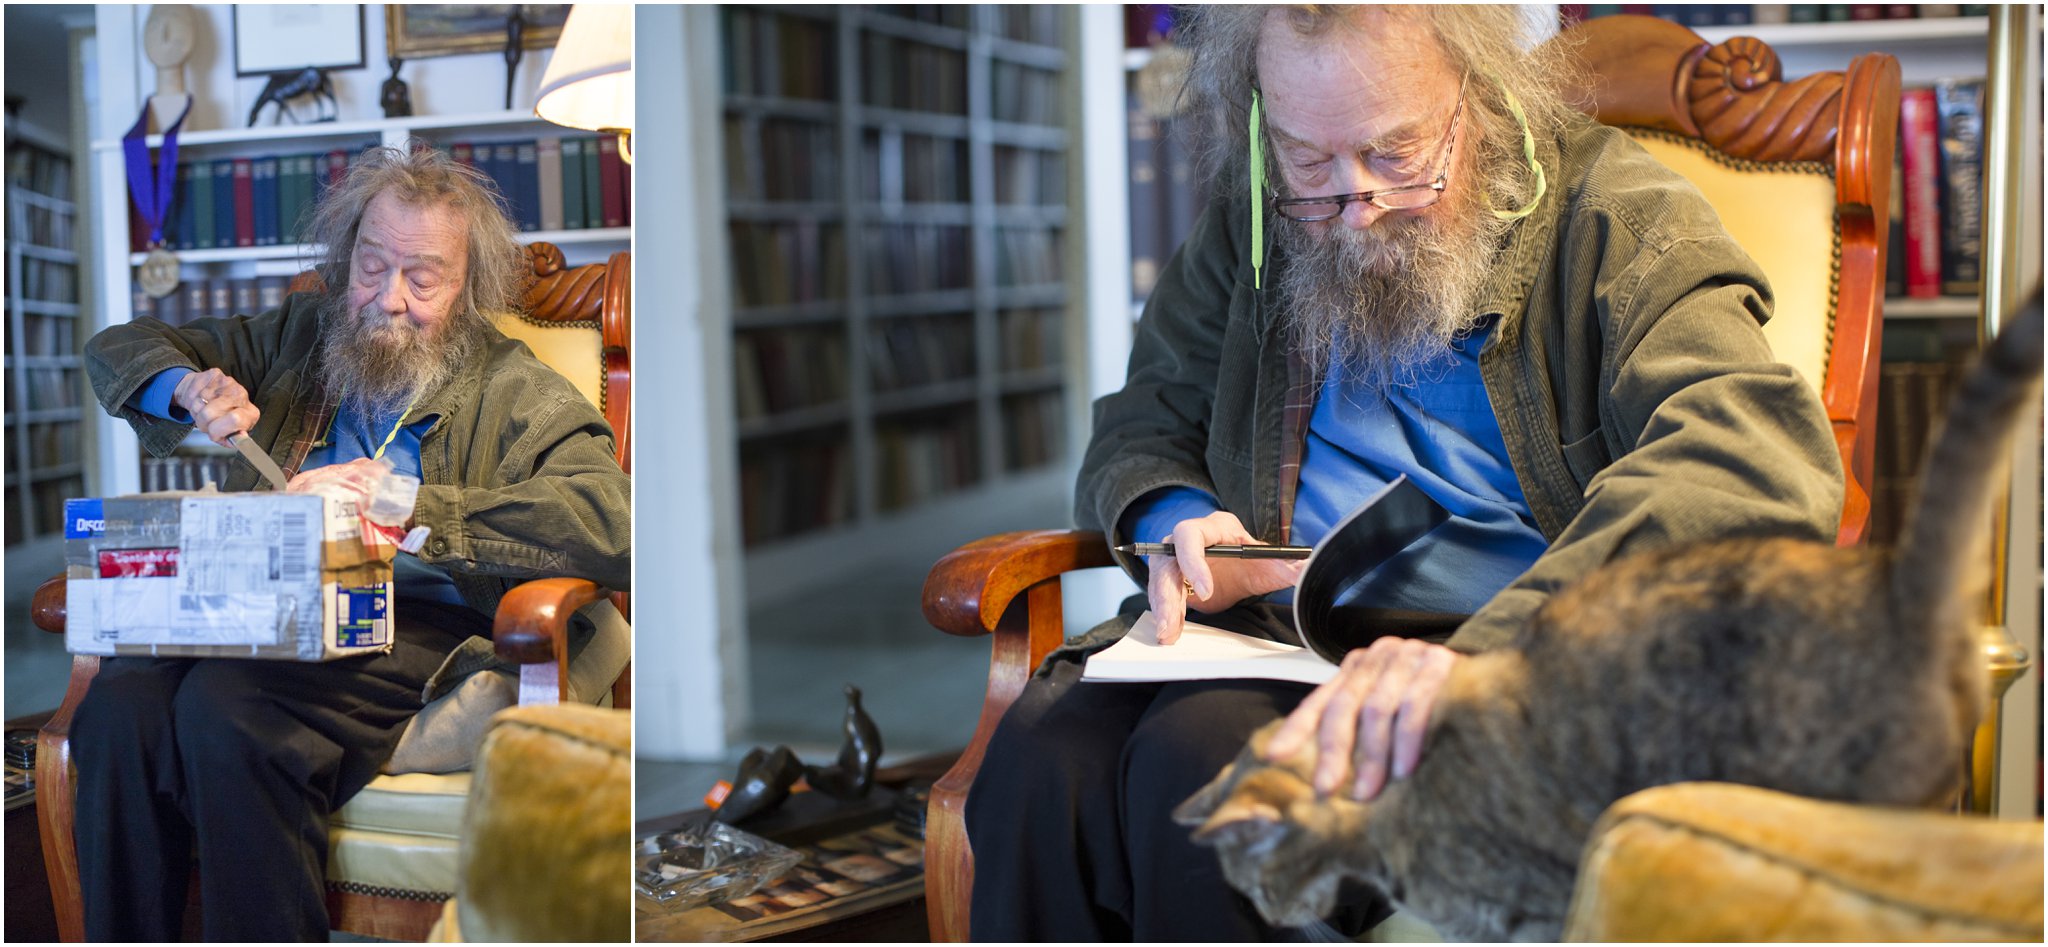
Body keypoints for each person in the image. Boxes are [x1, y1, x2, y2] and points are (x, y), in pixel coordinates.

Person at [964, 6, 1843, 940]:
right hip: (1274, 631)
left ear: (1478, 92)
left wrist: (1487, 656)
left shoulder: (1618, 217)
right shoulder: (1256, 218)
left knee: (1205, 769)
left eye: (1395, 154)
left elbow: (1751, 456)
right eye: (1309, 160)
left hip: (1499, 651)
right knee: (1037, 760)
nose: (1354, 204)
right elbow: (1143, 420)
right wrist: (1177, 513)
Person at [73, 145, 630, 942]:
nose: (389, 300)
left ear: (466, 288)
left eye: (422, 277)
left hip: (417, 623)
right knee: (117, 709)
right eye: (372, 266)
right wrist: (187, 384)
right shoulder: (303, 333)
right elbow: (122, 344)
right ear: (348, 260)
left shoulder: (519, 390)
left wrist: (403, 501)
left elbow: (614, 522)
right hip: (274, 602)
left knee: (228, 710)